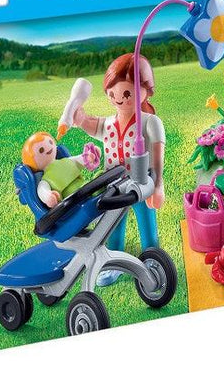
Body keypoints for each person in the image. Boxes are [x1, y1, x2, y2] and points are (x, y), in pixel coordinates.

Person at [73, 53, 165, 285]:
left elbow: (157, 157)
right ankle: (113, 263)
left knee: (147, 224)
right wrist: (79, 117)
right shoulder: (108, 123)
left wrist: (158, 186)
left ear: (145, 90)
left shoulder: (150, 122)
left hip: (141, 184)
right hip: (114, 187)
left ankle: (152, 260)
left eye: (126, 94)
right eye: (112, 94)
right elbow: (90, 124)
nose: (119, 99)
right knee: (112, 225)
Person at [21, 132, 101, 208]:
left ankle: (99, 185)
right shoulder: (46, 180)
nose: (48, 148)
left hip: (85, 186)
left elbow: (78, 160)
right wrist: (48, 196)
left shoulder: (66, 161)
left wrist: (89, 157)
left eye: (50, 142)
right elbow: (42, 189)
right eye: (41, 150)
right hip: (72, 199)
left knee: (98, 181)